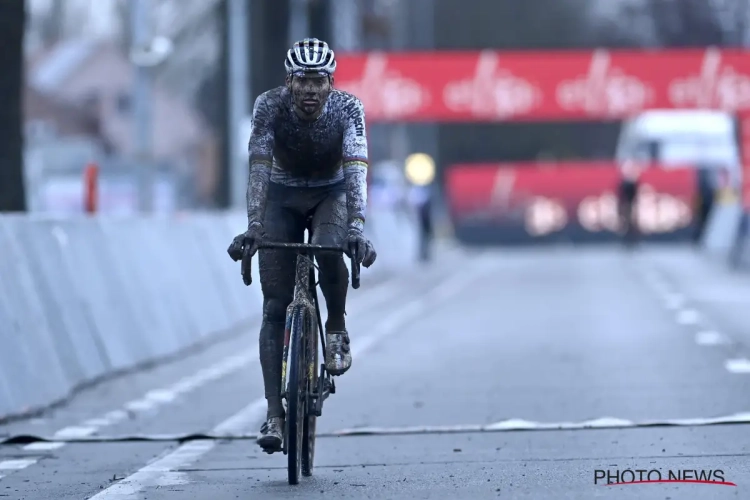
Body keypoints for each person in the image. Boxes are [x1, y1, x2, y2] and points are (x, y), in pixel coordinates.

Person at [226, 38, 377, 453]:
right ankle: (274, 414)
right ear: (289, 82)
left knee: (331, 249)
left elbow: (356, 168)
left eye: (319, 81)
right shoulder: (268, 106)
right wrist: (255, 225)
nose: (311, 90)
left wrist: (357, 227)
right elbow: (258, 164)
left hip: (331, 194)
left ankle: (336, 327)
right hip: (281, 195)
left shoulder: (348, 109)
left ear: (331, 83)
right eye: (302, 81)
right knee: (274, 306)